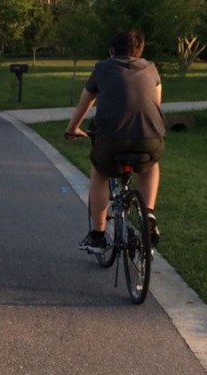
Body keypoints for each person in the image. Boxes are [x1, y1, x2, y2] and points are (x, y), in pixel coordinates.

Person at [64, 30, 165, 253]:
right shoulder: (151, 68)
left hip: (111, 140)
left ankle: (98, 236)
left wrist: (72, 129)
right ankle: (147, 211)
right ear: (140, 51)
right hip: (150, 139)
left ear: (112, 51)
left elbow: (85, 103)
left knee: (100, 172)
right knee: (150, 166)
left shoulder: (102, 68)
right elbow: (155, 103)